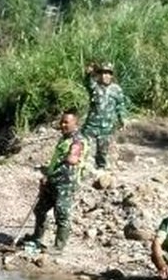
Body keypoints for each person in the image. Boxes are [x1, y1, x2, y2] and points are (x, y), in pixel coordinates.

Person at [22, 109, 86, 253]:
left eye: (66, 122)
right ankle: (37, 238)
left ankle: (58, 247)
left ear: (75, 123)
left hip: (65, 184)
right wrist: (47, 176)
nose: (63, 125)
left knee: (62, 214)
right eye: (62, 122)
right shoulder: (64, 138)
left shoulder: (77, 140)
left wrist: (68, 158)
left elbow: (73, 159)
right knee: (40, 209)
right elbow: (54, 161)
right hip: (53, 181)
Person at [82, 62, 130, 170]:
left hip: (106, 127)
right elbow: (87, 80)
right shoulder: (94, 86)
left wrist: (122, 119)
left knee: (102, 152)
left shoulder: (116, 89)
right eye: (102, 73)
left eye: (108, 73)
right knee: (84, 149)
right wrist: (89, 73)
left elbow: (120, 106)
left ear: (111, 75)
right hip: (91, 126)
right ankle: (83, 171)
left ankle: (101, 172)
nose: (105, 76)